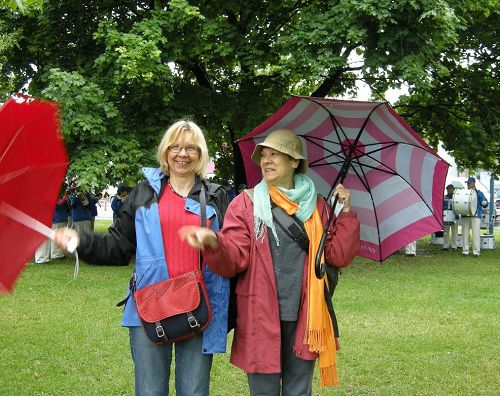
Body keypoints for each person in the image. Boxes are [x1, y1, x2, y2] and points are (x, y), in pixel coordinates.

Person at [54, 120, 230, 396]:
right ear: (165, 151)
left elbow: (232, 251)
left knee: (194, 391)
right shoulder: (144, 192)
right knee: (149, 391)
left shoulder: (215, 195)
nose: (182, 154)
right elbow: (118, 245)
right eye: (175, 147)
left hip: (198, 306)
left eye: (190, 148)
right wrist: (80, 241)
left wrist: (214, 242)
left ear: (200, 154)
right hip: (150, 306)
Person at [180, 128, 360, 395]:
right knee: (263, 391)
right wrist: (214, 243)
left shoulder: (319, 206)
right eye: (264, 155)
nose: (266, 161)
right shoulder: (246, 204)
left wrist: (343, 213)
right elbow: (234, 259)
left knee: (298, 391)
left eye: (275, 154)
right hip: (259, 314)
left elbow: (338, 256)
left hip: (307, 315)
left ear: (294, 162)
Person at [34, 191, 70, 263]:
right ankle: (41, 259)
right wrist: (63, 199)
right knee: (43, 240)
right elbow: (54, 206)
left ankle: (45, 258)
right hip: (47, 219)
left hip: (49, 219)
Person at [461, 177, 488, 257]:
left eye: (469, 183)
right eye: (467, 183)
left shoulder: (479, 193)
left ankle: (476, 252)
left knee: (476, 234)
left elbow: (485, 203)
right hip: (465, 215)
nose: (468, 184)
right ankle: (465, 251)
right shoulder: (464, 193)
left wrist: (483, 202)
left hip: (476, 215)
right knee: (465, 233)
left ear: (474, 183)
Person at [442, 184, 458, 250]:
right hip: (446, 216)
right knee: (446, 232)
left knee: (454, 232)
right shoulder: (444, 197)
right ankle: (446, 246)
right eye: (448, 189)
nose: (449, 190)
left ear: (453, 189)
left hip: (454, 215)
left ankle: (454, 246)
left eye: (450, 189)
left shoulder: (456, 197)